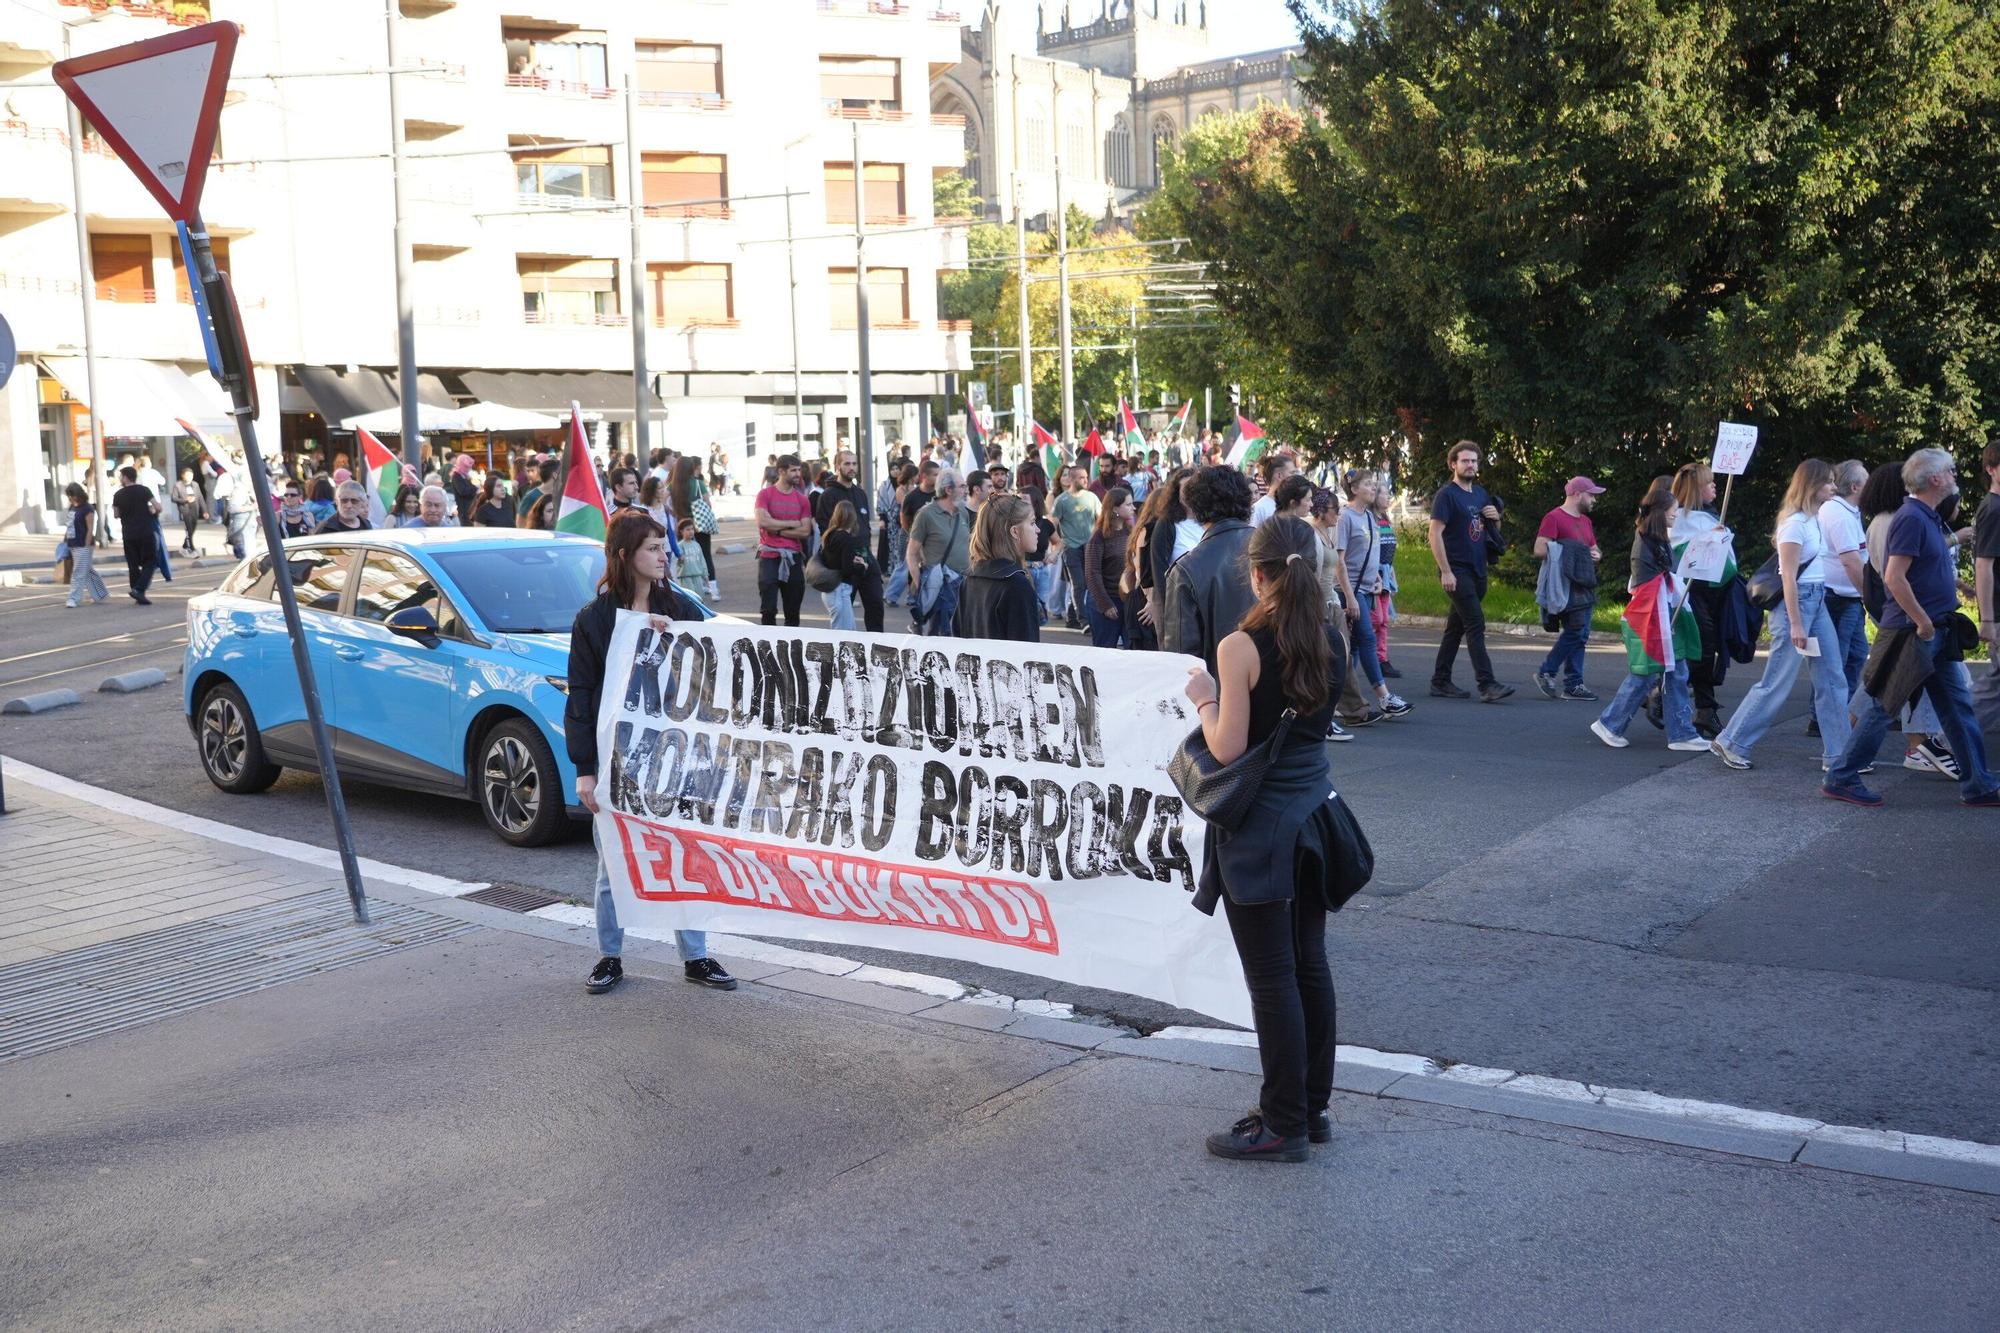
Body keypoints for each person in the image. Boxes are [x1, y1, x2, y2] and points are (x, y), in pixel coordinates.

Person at [1180, 515, 1348, 1163]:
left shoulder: (1239, 647)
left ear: (1254, 575)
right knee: (1310, 962)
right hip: (1317, 816)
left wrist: (1202, 698)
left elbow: (1227, 746)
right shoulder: (1333, 637)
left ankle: (1282, 1122)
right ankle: (1312, 1105)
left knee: (1272, 976)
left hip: (1259, 830)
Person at [568, 510, 739, 994]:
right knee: (613, 864)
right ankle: (609, 957)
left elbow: (719, 664)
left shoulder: (681, 607)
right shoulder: (594, 621)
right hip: (617, 760)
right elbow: (580, 698)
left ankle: (697, 956)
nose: (665, 555)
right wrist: (586, 770)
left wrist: (679, 642)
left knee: (685, 856)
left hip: (676, 756)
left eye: (665, 546)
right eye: (653, 548)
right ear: (625, 556)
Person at [1824, 448, 1998, 807]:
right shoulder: (1911, 518)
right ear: (1935, 479)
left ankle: (1978, 783)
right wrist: (1922, 622)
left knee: (1957, 707)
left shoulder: (1925, 516)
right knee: (1882, 706)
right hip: (1913, 631)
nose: (1954, 476)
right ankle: (1841, 777)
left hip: (1934, 629)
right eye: (1950, 471)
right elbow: (1893, 577)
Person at [1711, 460, 1854, 771]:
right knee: (1777, 681)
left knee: (1832, 678)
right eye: (1828, 482)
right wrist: (1797, 624)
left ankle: (1839, 755)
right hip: (1797, 605)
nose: (1833, 487)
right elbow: (1787, 576)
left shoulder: (1814, 520)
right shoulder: (1794, 524)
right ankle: (1732, 741)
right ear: (1812, 485)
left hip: (1816, 600)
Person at [1590, 478, 1710, 753]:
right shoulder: (1649, 540)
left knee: (1674, 671)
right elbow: (1654, 581)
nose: (1676, 514)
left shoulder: (1653, 538)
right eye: (1673, 510)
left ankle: (1680, 732)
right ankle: (1611, 723)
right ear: (1659, 512)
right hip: (1653, 614)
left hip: (1659, 611)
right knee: (1648, 673)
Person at [1428, 441, 1514, 701]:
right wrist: (1445, 571)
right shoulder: (1447, 495)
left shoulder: (1480, 494)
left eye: (1474, 461)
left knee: (1456, 628)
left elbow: (1489, 532)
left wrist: (1495, 518)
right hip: (1457, 570)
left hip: (1478, 570)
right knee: (1475, 623)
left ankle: (1440, 681)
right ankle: (1487, 684)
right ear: (1453, 464)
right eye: (1465, 461)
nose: (1470, 465)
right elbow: (1434, 533)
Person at [1163, 464, 1257, 677]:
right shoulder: (1273, 546)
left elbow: (1180, 658)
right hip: (1280, 689)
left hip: (1219, 696)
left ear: (1195, 506)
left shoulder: (1186, 569)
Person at [1334, 470, 1412, 721]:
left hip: (1367, 589)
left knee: (1354, 648)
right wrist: (1350, 595)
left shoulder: (1369, 516)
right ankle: (1384, 697)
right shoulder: (1345, 517)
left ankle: (1341, 699)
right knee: (1367, 639)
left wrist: (1377, 578)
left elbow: (1370, 552)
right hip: (1350, 591)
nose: (1373, 488)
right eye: (1368, 484)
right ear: (1354, 489)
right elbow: (1339, 560)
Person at [1670, 463, 1731, 737]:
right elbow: (1682, 559)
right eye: (1709, 483)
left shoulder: (1707, 516)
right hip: (1692, 593)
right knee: (1701, 648)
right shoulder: (1680, 520)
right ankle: (1704, 709)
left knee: (1707, 648)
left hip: (1713, 592)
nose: (1714, 486)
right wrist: (1708, 541)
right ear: (1697, 489)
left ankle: (1665, 697)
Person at [1531, 477, 1605, 701]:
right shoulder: (1554, 517)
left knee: (1581, 635)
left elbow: (1594, 549)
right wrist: (1570, 550)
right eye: (1591, 495)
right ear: (1578, 494)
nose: (1594, 500)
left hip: (1583, 584)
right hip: (1564, 586)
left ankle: (1573, 684)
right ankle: (1548, 671)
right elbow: (1539, 549)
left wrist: (1596, 555)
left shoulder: (1586, 522)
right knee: (1576, 631)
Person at [1818, 459, 1872, 705]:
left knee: (1855, 656)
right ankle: (1827, 715)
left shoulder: (1847, 511)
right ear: (1854, 487)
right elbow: (1851, 561)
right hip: (1838, 597)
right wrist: (1869, 595)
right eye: (1867, 481)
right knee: (1836, 660)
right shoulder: (1838, 514)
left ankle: (1842, 709)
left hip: (1846, 597)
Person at [955, 495, 1041, 642]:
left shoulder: (971, 578)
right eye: (1032, 523)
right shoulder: (1016, 585)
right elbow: (1026, 653)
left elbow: (959, 637)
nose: (1038, 530)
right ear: (1014, 532)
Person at [906, 466, 973, 636]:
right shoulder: (926, 514)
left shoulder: (962, 512)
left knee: (961, 632)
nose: (966, 490)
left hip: (964, 582)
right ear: (948, 490)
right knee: (940, 635)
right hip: (941, 584)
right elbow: (911, 554)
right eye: (962, 486)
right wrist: (920, 582)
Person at [754, 454, 813, 627]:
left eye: (799, 470)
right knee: (768, 610)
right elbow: (762, 522)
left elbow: (805, 530)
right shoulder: (765, 494)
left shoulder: (802, 499)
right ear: (781, 471)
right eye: (793, 470)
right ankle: (767, 650)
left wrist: (776, 529)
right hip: (769, 556)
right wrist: (790, 524)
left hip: (793, 557)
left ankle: (792, 651)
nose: (798, 474)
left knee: (793, 612)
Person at [818, 499, 884, 632]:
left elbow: (833, 560)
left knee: (843, 630)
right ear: (852, 518)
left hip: (830, 589)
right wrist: (862, 566)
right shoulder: (847, 539)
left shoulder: (829, 535)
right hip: (840, 589)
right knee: (845, 633)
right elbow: (847, 569)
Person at [1082, 486, 1134, 649]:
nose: (1133, 508)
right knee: (1105, 651)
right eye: (1128, 504)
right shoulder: (1098, 537)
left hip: (1126, 600)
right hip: (1106, 602)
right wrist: (1105, 604)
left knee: (1131, 650)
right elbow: (1092, 573)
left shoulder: (1129, 531)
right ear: (1115, 509)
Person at [1051, 466, 1101, 631]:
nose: (1086, 480)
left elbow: (1100, 520)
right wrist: (1056, 546)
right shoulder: (1062, 500)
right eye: (1081, 478)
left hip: (1090, 547)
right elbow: (1053, 525)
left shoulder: (1092, 497)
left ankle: (1073, 617)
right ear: (1071, 479)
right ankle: (1084, 621)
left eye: (1086, 477)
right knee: (1078, 584)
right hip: (1071, 548)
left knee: (1091, 583)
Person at [1974, 440, 2000, 740]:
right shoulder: (1993, 509)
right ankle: (1949, 739)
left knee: (1994, 683)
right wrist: (1988, 620)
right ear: (1991, 469)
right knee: (1993, 685)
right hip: (1998, 612)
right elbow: (1984, 566)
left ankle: (1950, 738)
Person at [109, 467, 161, 605]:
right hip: (145, 531)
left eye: (121, 476)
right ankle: (139, 589)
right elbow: (158, 507)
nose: (120, 479)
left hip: (128, 534)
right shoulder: (144, 490)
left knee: (132, 565)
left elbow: (116, 514)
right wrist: (151, 511)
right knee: (150, 562)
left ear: (126, 477)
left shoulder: (118, 494)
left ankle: (136, 591)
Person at [670, 455, 720, 600]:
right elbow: (707, 504)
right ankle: (713, 589)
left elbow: (663, 498)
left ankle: (687, 589)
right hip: (700, 525)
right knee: (705, 555)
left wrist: (672, 511)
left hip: (682, 525)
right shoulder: (698, 484)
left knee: (684, 556)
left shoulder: (673, 486)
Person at [1371, 485, 1402, 678]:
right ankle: (1365, 653)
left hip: (1386, 575)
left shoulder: (1385, 520)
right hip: (1374, 578)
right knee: (1377, 619)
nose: (1387, 496)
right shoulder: (1371, 520)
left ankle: (1382, 659)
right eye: (1383, 493)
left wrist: (1392, 574)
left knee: (1384, 621)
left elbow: (1389, 552)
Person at [62, 483, 108, 608]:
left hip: (83, 544)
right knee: (86, 570)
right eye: (69, 496)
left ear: (78, 494)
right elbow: (70, 525)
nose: (70, 498)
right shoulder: (73, 507)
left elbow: (90, 528)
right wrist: (65, 540)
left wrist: (86, 546)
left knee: (78, 573)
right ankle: (100, 593)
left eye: (72, 496)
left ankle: (73, 598)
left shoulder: (87, 509)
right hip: (72, 543)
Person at [1247, 453, 1295, 527]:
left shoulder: (1292, 504)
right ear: (1279, 475)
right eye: (1292, 473)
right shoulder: (1259, 509)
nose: (1295, 477)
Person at [171, 468, 204, 554]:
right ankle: (191, 547)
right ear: (183, 476)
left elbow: (200, 498)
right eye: (187, 475)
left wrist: (205, 510)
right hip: (185, 509)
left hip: (194, 509)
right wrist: (185, 500)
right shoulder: (178, 485)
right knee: (189, 528)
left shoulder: (195, 485)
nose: (190, 477)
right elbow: (173, 498)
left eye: (191, 475)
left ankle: (185, 544)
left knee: (193, 528)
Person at [449, 455, 479, 526]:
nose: (469, 468)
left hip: (469, 508)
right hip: (463, 510)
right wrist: (475, 488)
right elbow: (463, 491)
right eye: (467, 466)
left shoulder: (465, 476)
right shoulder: (456, 476)